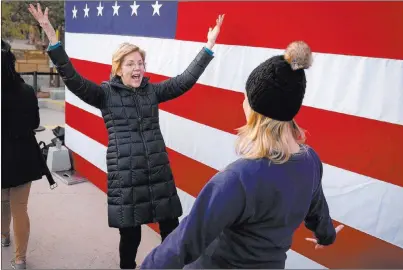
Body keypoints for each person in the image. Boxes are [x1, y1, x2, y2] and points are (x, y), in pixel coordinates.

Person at [28, 3, 224, 269]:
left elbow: (184, 81)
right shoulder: (105, 94)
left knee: (171, 232)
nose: (137, 68)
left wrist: (208, 47)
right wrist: (52, 38)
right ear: (118, 68)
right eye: (130, 63)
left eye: (140, 63)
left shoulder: (152, 92)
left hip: (158, 173)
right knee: (130, 237)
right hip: (126, 177)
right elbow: (72, 79)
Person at [140, 41, 344, 269]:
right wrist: (327, 236)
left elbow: (184, 243)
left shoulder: (238, 179)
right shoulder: (310, 161)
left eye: (246, 97)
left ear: (257, 112)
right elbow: (318, 210)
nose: (242, 102)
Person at [1, 39, 56, 270]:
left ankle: (4, 235)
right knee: (20, 207)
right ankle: (20, 259)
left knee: (3, 201)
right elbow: (35, 122)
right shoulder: (27, 90)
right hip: (24, 156)